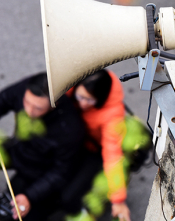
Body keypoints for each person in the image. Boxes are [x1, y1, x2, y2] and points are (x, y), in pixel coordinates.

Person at [0, 72, 85, 220]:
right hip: (18, 149)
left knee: (13, 212)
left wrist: (30, 196)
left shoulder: (70, 129)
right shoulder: (29, 89)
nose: (28, 111)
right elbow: (3, 100)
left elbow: (60, 172)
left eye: (37, 108)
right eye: (26, 102)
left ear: (55, 104)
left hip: (39, 171)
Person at [62, 70, 131, 221]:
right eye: (80, 97)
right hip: (75, 139)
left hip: (94, 150)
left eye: (90, 100)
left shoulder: (113, 114)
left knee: (70, 196)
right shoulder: (69, 84)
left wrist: (118, 199)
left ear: (101, 98)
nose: (82, 104)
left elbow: (112, 154)